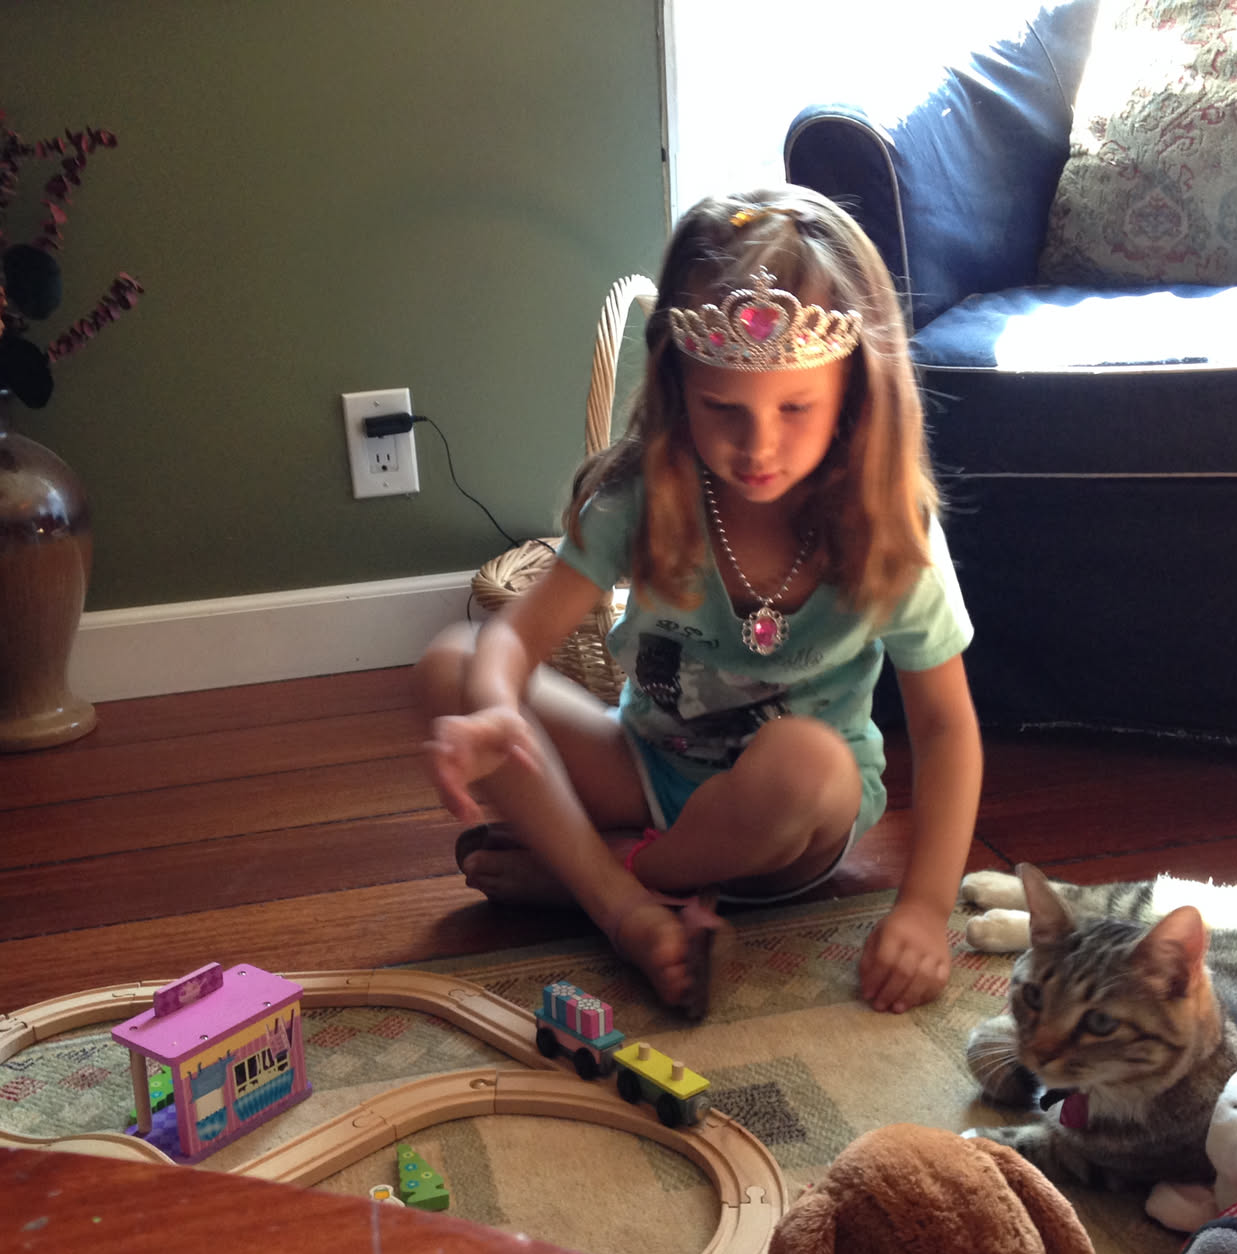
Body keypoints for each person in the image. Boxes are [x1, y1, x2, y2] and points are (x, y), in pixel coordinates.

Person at [414, 184, 982, 1019]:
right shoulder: (641, 499)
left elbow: (945, 728)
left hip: (788, 827)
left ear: (854, 395)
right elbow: (515, 639)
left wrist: (927, 907)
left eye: (796, 408)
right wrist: (496, 703)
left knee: (805, 761)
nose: (757, 446)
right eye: (724, 409)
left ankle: (599, 880)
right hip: (645, 765)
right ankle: (625, 905)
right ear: (679, 387)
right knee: (451, 661)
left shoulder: (889, 532)